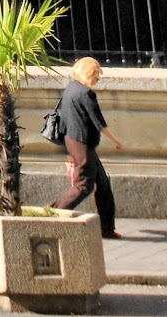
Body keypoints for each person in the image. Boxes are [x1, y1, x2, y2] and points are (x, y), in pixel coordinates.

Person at [50, 56, 124, 239]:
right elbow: (99, 122)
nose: (96, 81)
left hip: (75, 142)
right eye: (96, 77)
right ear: (88, 74)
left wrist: (70, 151)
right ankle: (52, 213)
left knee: (103, 185)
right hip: (82, 143)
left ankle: (106, 228)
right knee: (84, 185)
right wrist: (117, 141)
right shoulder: (85, 93)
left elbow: (64, 120)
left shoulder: (70, 89)